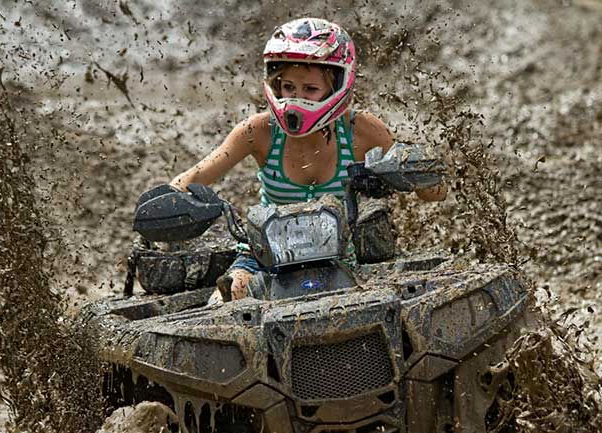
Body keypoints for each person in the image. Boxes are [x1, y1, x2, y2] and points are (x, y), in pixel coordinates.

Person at [170, 18, 447, 302]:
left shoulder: (362, 130)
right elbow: (189, 179)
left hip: (342, 259)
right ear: (276, 84)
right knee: (228, 297)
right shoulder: (257, 132)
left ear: (338, 84)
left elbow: (434, 193)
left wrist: (418, 172)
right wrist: (166, 209)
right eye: (288, 87)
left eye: (310, 90)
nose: (296, 100)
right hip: (263, 260)